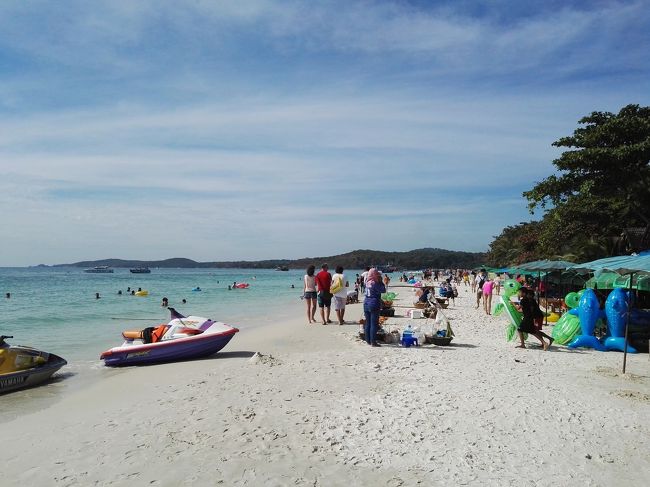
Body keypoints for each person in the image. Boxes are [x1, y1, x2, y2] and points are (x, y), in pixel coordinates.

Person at [364, 268, 386, 347]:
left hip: (366, 302)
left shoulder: (367, 282)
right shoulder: (375, 283)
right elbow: (383, 290)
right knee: (374, 323)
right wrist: (381, 281)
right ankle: (373, 342)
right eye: (376, 274)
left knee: (368, 323)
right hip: (374, 303)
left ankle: (368, 340)